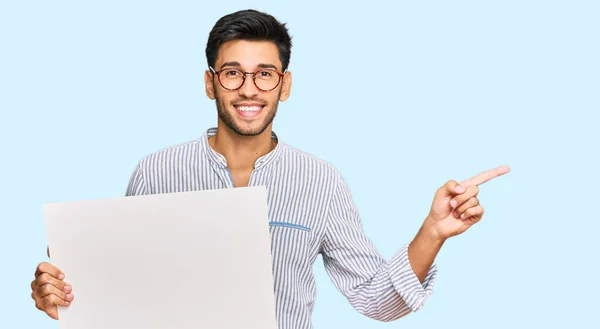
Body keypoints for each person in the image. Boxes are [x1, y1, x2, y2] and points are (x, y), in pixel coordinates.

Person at [30, 9, 509, 329]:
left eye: (265, 73)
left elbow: (378, 300)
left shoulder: (320, 180)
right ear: (210, 84)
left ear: (285, 85)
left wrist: (433, 231)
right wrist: (61, 295)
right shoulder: (156, 172)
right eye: (232, 72)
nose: (248, 89)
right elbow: (122, 294)